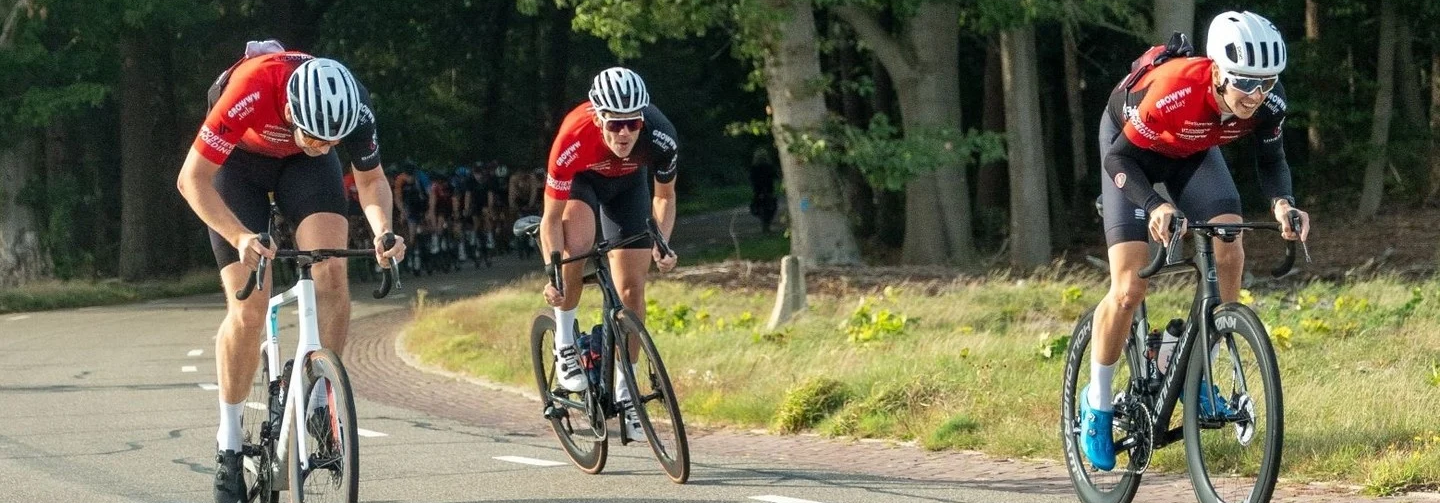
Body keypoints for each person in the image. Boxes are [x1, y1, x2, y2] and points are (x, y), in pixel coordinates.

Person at [1080, 11, 1311, 472]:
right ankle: (1098, 402)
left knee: (1230, 243)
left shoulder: (1268, 101)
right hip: (1132, 153)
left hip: (1191, 151)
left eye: (1266, 83)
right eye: (1245, 83)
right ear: (1220, 72)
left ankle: (1199, 362)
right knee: (1129, 288)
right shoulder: (1176, 89)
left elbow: (1272, 159)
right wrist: (1155, 204)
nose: (1256, 95)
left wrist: (1283, 204)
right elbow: (1119, 159)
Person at [174, 43, 405, 503]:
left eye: (332, 140)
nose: (326, 144)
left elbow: (371, 179)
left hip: (304, 170)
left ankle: (319, 401)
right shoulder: (251, 89)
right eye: (317, 135)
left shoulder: (352, 107)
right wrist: (240, 236)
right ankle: (229, 444)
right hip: (236, 167)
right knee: (249, 306)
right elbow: (191, 180)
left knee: (332, 272)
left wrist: (383, 232)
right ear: (292, 110)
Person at [539, 67, 679, 442]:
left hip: (628, 188)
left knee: (632, 291)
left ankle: (625, 386)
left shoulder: (661, 136)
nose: (624, 133)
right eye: (615, 124)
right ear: (599, 116)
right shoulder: (573, 136)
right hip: (583, 185)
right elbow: (550, 220)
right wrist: (553, 270)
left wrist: (662, 243)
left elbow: (664, 197)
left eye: (632, 124)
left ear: (642, 118)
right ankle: (565, 342)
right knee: (577, 250)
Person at [748, 146, 779, 233]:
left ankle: (764, 223)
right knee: (772, 207)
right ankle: (766, 224)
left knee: (756, 207)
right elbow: (775, 176)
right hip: (768, 190)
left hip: (758, 191)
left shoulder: (754, 168)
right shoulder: (769, 167)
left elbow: (751, 179)